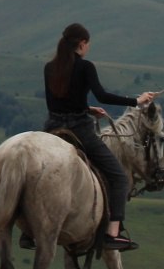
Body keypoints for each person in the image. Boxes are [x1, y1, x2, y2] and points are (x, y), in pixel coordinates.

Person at [43, 22, 156, 251]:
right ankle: (111, 234)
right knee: (118, 177)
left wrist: (86, 108)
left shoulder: (49, 67)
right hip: (79, 130)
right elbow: (102, 96)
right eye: (88, 44)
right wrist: (137, 101)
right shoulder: (85, 67)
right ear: (82, 44)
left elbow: (56, 103)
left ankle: (29, 231)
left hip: (52, 128)